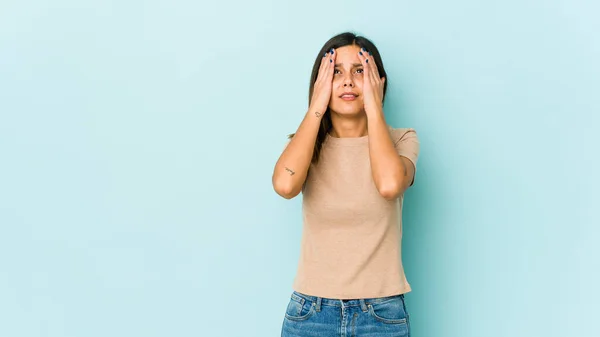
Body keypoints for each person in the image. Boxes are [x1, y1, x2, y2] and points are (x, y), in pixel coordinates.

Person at [272, 32, 419, 337]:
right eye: (336, 71)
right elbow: (285, 185)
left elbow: (390, 185)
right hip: (310, 312)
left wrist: (374, 108)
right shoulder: (306, 146)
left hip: (381, 315)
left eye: (360, 70)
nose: (348, 81)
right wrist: (316, 105)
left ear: (378, 81)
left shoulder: (402, 140)